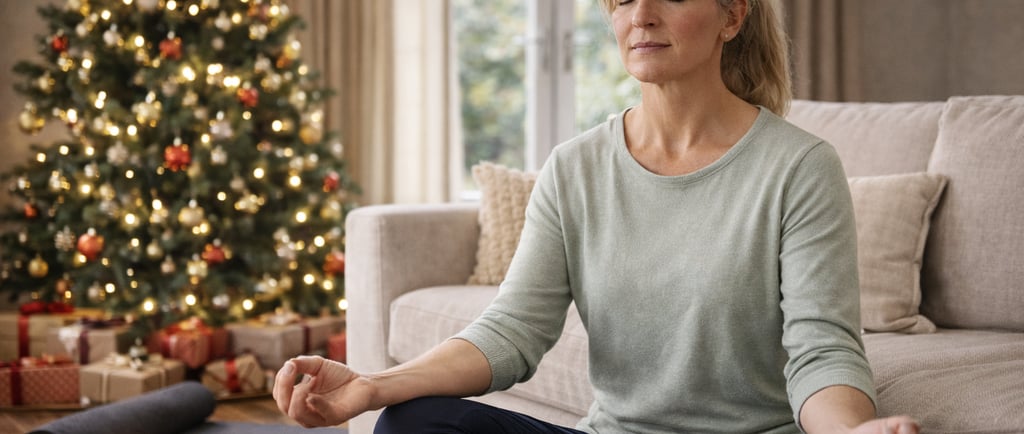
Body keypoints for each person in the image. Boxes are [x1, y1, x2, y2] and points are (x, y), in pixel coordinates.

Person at [274, 0, 921, 432]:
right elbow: (512, 331)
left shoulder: (799, 167)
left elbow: (822, 351)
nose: (641, 15)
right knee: (412, 423)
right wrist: (373, 383)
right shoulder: (574, 167)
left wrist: (855, 433)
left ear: (731, 16)